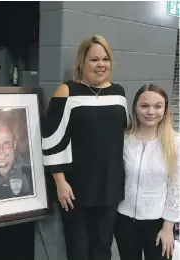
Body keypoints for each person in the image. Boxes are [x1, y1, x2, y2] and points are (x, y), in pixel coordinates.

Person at [41, 35, 129, 260]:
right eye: (94, 59)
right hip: (75, 190)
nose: (101, 65)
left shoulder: (119, 94)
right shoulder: (67, 92)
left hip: (109, 187)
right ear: (82, 62)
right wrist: (60, 183)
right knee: (78, 250)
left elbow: (125, 135)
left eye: (105, 59)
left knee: (102, 249)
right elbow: (51, 139)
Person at [114, 84, 180, 260]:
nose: (151, 112)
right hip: (124, 219)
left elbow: (176, 187)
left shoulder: (175, 143)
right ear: (135, 107)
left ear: (165, 109)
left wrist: (168, 228)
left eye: (158, 106)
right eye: (145, 106)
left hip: (158, 223)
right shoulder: (124, 139)